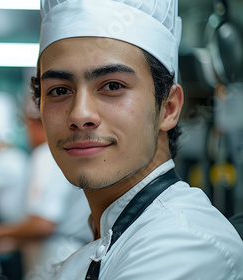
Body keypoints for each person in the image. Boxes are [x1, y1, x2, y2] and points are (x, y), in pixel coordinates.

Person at [30, 0, 243, 279]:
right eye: (59, 90)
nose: (80, 115)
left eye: (113, 86)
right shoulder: (109, 234)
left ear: (168, 108)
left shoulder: (185, 243)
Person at [0, 100, 92, 280]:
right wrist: (13, 239)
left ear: (35, 122)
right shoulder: (71, 152)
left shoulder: (47, 154)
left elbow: (43, 225)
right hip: (75, 253)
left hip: (54, 257)